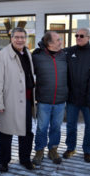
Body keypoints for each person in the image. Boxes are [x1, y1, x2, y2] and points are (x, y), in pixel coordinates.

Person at [0, 27, 36, 172]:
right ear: (11, 38)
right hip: (9, 100)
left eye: (22, 37)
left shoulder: (27, 52)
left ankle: (25, 159)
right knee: (6, 133)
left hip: (27, 100)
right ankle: (4, 162)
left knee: (26, 132)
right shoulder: (3, 55)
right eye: (17, 37)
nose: (20, 40)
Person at [63, 28, 90, 162]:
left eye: (81, 36)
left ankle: (87, 150)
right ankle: (71, 147)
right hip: (72, 97)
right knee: (71, 125)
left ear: (88, 37)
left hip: (89, 98)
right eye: (76, 35)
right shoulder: (68, 51)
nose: (78, 37)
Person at [32, 31, 68, 165]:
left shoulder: (64, 55)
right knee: (42, 127)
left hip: (60, 100)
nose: (61, 42)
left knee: (56, 127)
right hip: (44, 100)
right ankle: (39, 150)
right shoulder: (37, 56)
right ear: (49, 43)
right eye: (58, 40)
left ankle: (53, 149)